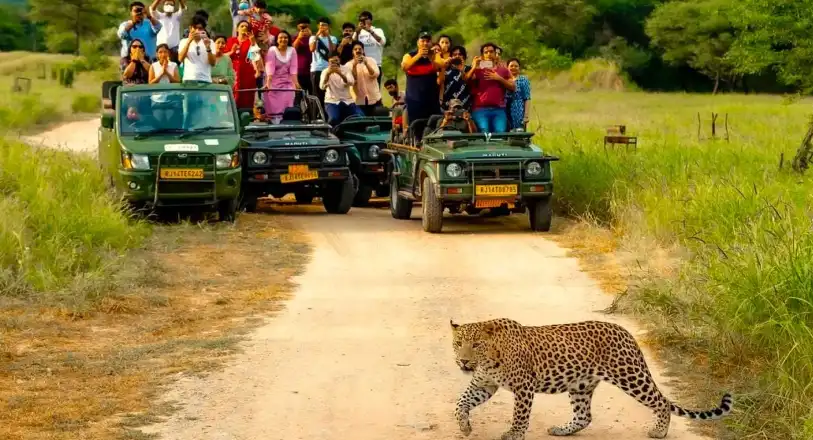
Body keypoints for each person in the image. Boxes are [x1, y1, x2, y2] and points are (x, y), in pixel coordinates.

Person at [465, 42, 515, 133]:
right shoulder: (478, 69)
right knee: (484, 132)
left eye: (491, 52)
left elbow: (513, 87)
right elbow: (465, 80)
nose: (489, 54)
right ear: (482, 55)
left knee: (500, 132)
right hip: (480, 109)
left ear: (495, 54)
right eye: (486, 52)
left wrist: (499, 78)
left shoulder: (503, 70)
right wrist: (473, 67)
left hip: (498, 109)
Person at [400, 32, 444, 129]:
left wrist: (431, 58)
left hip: (432, 100)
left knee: (434, 126)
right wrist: (418, 55)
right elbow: (405, 67)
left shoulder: (434, 55)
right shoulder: (409, 55)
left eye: (427, 41)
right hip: (415, 100)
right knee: (416, 127)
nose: (425, 43)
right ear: (418, 42)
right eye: (422, 41)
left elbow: (440, 67)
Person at [263, 30, 299, 124]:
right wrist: (268, 83)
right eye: (281, 37)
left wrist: (296, 83)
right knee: (274, 106)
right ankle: (275, 123)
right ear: (277, 40)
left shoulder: (292, 50)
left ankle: (287, 124)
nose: (283, 39)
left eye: (285, 37)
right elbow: (270, 68)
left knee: (288, 102)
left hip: (287, 82)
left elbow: (293, 69)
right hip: (273, 81)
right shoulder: (272, 50)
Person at [320, 52, 363, 126]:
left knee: (360, 116)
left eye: (336, 61)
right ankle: (334, 134)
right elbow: (322, 87)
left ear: (339, 60)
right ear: (328, 62)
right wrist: (328, 74)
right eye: (332, 62)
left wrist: (340, 74)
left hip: (347, 100)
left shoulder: (346, 69)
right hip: (332, 101)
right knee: (333, 119)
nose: (334, 63)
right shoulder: (325, 71)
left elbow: (351, 82)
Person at [226, 20, 260, 109]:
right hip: (232, 71)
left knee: (246, 96)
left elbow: (255, 58)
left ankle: (246, 115)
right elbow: (223, 56)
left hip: (247, 72)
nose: (244, 28)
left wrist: (253, 42)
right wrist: (232, 51)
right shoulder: (230, 41)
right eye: (242, 26)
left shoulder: (250, 42)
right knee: (232, 94)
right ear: (237, 29)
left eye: (246, 27)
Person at [347, 41, 382, 115]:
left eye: (360, 49)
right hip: (358, 100)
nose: (358, 51)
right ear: (352, 52)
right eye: (355, 49)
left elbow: (376, 74)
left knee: (377, 122)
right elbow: (353, 80)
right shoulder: (348, 64)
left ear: (363, 50)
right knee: (363, 123)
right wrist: (354, 65)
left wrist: (366, 64)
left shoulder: (371, 60)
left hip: (374, 98)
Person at [178, 15, 216, 83]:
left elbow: (213, 63)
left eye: (200, 28)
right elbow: (180, 59)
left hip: (205, 80)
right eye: (195, 28)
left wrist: (208, 47)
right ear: (190, 28)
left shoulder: (210, 42)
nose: (197, 30)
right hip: (189, 79)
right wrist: (189, 41)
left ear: (204, 29)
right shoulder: (183, 41)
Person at [309, 17, 338, 106]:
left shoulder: (333, 38)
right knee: (316, 93)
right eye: (321, 25)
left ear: (328, 27)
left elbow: (331, 50)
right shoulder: (313, 37)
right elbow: (312, 49)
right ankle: (316, 115)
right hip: (316, 68)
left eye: (325, 25)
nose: (323, 27)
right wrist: (317, 36)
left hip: (328, 68)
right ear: (318, 26)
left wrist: (328, 36)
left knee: (328, 92)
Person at [353, 11, 386, 85]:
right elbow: (353, 46)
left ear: (370, 20)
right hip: (361, 65)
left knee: (375, 92)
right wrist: (357, 33)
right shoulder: (357, 32)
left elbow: (382, 42)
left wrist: (370, 31)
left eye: (365, 19)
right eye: (361, 20)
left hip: (376, 64)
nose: (363, 21)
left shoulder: (378, 30)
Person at [440, 45, 472, 111]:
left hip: (466, 104)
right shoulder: (445, 70)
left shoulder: (469, 69)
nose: (457, 56)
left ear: (464, 56)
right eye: (454, 54)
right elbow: (440, 82)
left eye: (460, 54)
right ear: (451, 57)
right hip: (448, 105)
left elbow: (471, 83)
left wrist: (462, 70)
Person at [505, 58, 531, 130]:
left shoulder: (523, 80)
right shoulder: (503, 79)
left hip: (518, 110)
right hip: (505, 110)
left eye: (516, 66)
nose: (513, 68)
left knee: (518, 134)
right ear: (507, 67)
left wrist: (526, 116)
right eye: (511, 66)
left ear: (519, 68)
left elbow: (527, 98)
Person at [293, 17, 313, 93]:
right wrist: (299, 38)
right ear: (298, 27)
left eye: (305, 26)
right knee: (299, 94)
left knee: (313, 94)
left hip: (312, 70)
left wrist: (311, 36)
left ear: (309, 26)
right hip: (299, 70)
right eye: (301, 27)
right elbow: (292, 50)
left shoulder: (313, 37)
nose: (303, 29)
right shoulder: (295, 37)